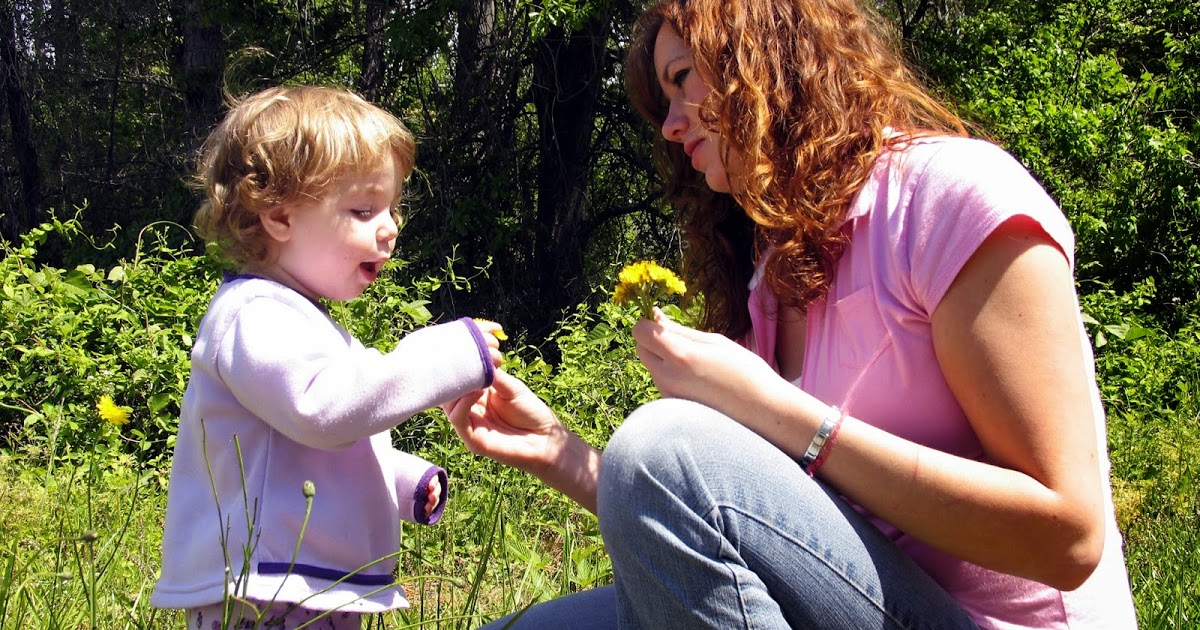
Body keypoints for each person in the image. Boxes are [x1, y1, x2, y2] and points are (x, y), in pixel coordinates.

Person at [443, 0, 1138, 627]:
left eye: (683, 77)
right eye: (663, 101)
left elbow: (1069, 537)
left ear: (769, 58)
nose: (672, 123)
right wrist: (562, 454)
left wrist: (778, 411)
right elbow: (744, 527)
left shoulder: (951, 198)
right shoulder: (770, 274)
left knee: (666, 444)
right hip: (861, 602)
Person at [150, 85, 504, 630]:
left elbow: (308, 448)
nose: (390, 228)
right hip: (263, 593)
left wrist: (401, 479)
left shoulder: (299, 320)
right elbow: (324, 410)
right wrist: (445, 354)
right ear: (279, 216)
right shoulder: (253, 315)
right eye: (363, 209)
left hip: (303, 585)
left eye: (392, 207)